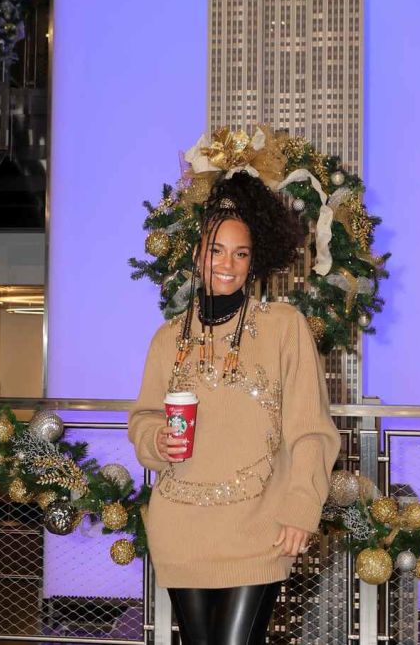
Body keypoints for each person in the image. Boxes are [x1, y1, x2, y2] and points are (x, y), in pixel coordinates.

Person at [128, 171, 340, 645]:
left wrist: (302, 507)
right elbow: (143, 417)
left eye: (240, 253)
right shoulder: (167, 338)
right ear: (197, 255)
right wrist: (156, 439)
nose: (227, 264)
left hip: (258, 529)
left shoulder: (284, 327)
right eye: (217, 251)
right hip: (180, 529)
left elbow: (311, 429)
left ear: (253, 260)